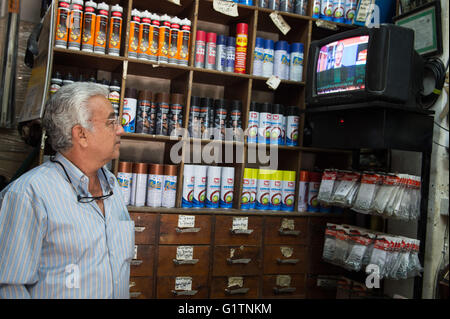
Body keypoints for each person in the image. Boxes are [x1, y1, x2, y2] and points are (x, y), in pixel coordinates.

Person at [0, 82, 134, 298]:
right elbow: (9, 286)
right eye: (111, 122)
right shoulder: (28, 194)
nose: (120, 129)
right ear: (81, 134)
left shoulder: (112, 185)